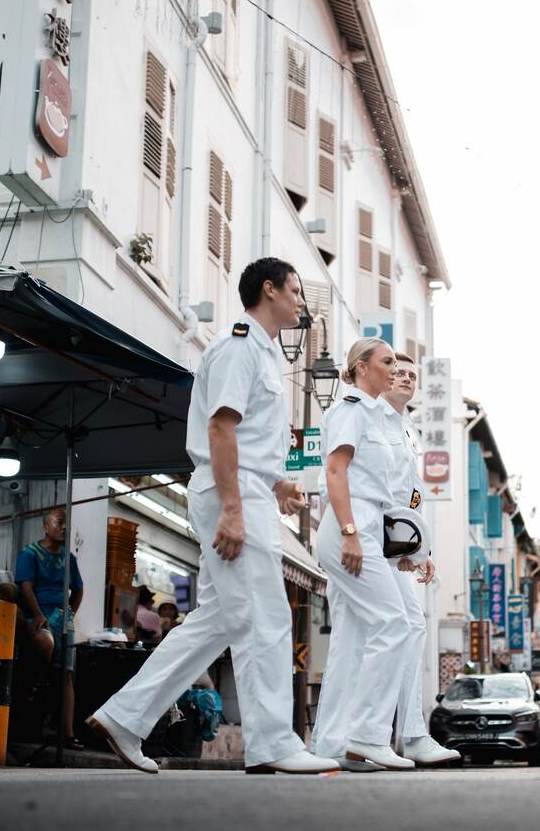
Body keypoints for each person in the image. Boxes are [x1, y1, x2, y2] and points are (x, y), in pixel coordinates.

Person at [88, 257, 338, 776]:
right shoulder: (238, 347)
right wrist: (232, 508)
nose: (299, 302)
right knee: (266, 617)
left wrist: (278, 482)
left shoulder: (264, 355)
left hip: (247, 488)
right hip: (232, 493)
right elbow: (220, 431)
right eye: (294, 291)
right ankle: (273, 744)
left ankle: (125, 717)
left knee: (215, 624)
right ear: (268, 291)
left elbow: (245, 442)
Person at [308, 337, 415, 771]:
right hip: (348, 527)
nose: (395, 368)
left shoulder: (375, 416)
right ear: (360, 366)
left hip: (367, 526)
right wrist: (350, 534)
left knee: (353, 643)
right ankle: (368, 735)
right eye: (387, 361)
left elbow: (389, 492)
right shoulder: (351, 410)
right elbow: (335, 471)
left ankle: (333, 745)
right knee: (396, 623)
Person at [379, 353, 460, 766]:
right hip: (372, 540)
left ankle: (377, 736)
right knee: (404, 627)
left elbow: (411, 497)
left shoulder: (409, 431)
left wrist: (420, 549)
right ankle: (402, 734)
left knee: (398, 631)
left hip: (394, 545)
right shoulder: (369, 417)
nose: (407, 379)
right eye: (400, 373)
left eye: (413, 375)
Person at [16, 507, 84, 750]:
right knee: (45, 643)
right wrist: (37, 614)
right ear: (45, 526)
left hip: (62, 617)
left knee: (67, 675)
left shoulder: (69, 558)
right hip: (38, 614)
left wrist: (70, 613)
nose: (64, 527)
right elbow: (25, 586)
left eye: (66, 524)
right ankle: (32, 684)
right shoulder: (29, 553)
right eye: (59, 523)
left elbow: (78, 589)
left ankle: (68, 734)